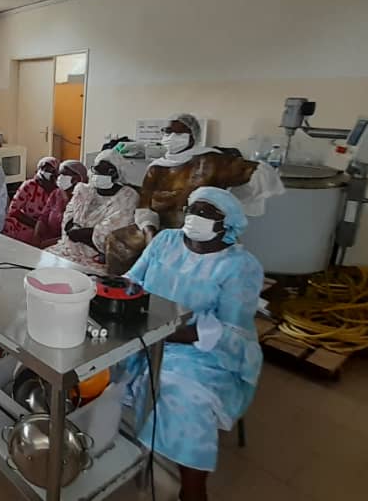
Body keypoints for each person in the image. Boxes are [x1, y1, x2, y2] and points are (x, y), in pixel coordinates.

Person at [123, 187, 263, 501]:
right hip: (146, 331)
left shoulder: (240, 266)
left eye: (207, 212)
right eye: (193, 209)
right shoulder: (165, 242)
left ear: (227, 224)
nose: (195, 217)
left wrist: (169, 333)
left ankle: (193, 488)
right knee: (96, 368)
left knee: (181, 396)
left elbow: (232, 330)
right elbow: (134, 279)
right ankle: (110, 446)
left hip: (204, 349)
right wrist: (111, 293)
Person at [106, 113, 282, 273]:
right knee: (117, 240)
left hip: (202, 229)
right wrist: (149, 231)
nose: (171, 137)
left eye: (179, 133)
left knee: (186, 258)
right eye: (167, 132)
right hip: (161, 227)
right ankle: (130, 291)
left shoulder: (212, 161)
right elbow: (144, 207)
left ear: (192, 136)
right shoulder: (157, 168)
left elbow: (257, 174)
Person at [46, 148, 137, 273]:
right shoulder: (84, 190)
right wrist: (76, 230)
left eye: (106, 171)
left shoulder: (127, 197)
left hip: (97, 258)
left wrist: (82, 233)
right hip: (68, 247)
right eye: (97, 170)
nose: (99, 175)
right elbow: (68, 216)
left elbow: (111, 235)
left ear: (116, 174)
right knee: (43, 266)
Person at [2, 156, 58, 245]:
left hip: (46, 227)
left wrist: (42, 226)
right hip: (27, 222)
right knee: (9, 222)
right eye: (43, 168)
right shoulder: (29, 185)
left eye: (50, 170)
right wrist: (35, 224)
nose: (45, 171)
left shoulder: (57, 191)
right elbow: (13, 210)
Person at [34, 159, 88, 248]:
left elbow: (75, 235)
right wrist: (36, 237)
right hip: (47, 239)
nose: (59, 177)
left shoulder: (84, 200)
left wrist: (45, 244)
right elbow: (43, 217)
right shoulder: (56, 194)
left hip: (70, 245)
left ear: (77, 179)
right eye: (59, 174)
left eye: (64, 174)